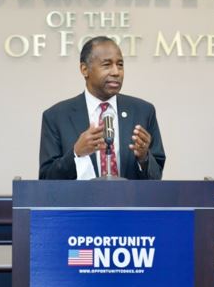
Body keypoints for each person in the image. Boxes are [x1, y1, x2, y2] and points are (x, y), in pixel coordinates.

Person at [39, 36, 165, 180]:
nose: (116, 72)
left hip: (130, 201)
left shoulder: (143, 111)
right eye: (107, 65)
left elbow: (157, 175)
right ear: (84, 69)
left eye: (120, 65)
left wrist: (144, 158)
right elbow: (46, 178)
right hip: (78, 201)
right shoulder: (56, 116)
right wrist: (75, 153)